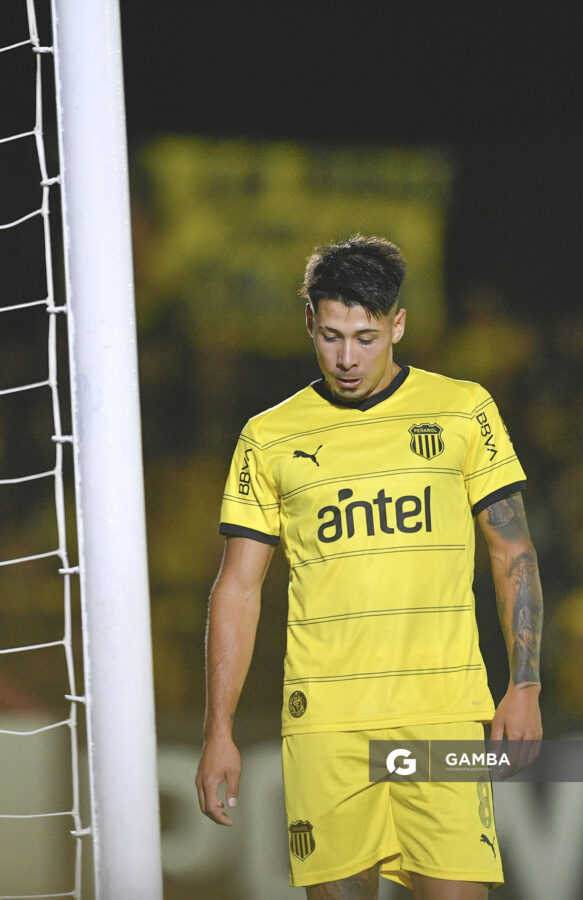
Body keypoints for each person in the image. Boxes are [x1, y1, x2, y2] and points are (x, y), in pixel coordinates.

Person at [196, 235, 543, 899]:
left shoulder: (464, 410)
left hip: (443, 715)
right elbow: (237, 589)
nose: (347, 357)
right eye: (330, 337)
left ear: (398, 325)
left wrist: (523, 686)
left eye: (365, 336)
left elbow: (512, 551)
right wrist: (220, 730)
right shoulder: (269, 435)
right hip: (326, 723)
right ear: (309, 325)